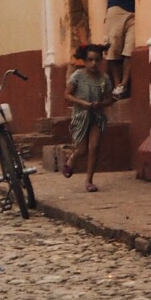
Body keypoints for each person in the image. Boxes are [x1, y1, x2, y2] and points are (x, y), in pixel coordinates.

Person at [60, 43, 111, 192]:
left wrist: (100, 103)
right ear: (84, 60)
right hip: (80, 117)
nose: (93, 63)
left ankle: (89, 180)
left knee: (94, 147)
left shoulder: (104, 78)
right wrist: (82, 103)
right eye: (90, 60)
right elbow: (66, 94)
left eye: (96, 60)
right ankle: (72, 158)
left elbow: (110, 99)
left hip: (97, 116)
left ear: (101, 60)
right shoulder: (77, 76)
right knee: (82, 149)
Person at [97, 0, 136, 100]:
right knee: (114, 47)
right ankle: (117, 83)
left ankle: (124, 84)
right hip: (117, 8)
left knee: (130, 48)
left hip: (134, 10)